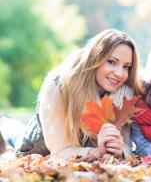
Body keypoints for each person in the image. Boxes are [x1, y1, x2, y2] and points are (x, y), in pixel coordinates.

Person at [11, 29, 141, 159]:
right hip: (38, 148)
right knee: (14, 134)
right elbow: (59, 151)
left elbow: (126, 146)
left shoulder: (123, 94)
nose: (119, 73)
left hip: (84, 153)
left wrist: (118, 151)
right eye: (112, 62)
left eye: (126, 67)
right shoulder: (59, 84)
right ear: (96, 57)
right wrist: (96, 152)